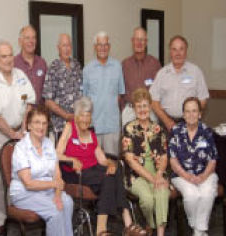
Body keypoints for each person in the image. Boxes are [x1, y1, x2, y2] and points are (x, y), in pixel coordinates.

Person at [56, 97, 146, 236]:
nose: (86, 119)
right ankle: (109, 227)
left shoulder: (91, 134)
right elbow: (56, 154)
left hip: (93, 171)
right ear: (76, 116)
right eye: (82, 115)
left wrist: (110, 164)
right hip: (75, 172)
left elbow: (102, 159)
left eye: (88, 115)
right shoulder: (70, 127)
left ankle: (124, 224)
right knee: (108, 178)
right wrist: (71, 159)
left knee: (115, 170)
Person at [0, 40, 35, 235]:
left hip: (20, 131)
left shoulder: (21, 76)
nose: (8, 60)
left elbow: (29, 103)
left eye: (10, 55)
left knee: (18, 176)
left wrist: (23, 129)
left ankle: (15, 212)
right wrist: (13, 134)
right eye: (3, 56)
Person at [10, 106, 73, 236]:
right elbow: (28, 183)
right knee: (55, 211)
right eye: (37, 122)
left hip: (47, 190)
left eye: (44, 123)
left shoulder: (49, 144)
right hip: (24, 193)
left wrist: (57, 195)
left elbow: (57, 174)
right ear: (29, 126)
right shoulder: (21, 148)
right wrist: (54, 185)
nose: (41, 127)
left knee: (67, 202)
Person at [122, 88, 169, 236]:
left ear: (150, 106)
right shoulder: (129, 129)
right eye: (139, 106)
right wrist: (152, 178)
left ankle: (160, 233)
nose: (143, 109)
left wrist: (160, 174)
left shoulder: (158, 128)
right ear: (135, 109)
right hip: (136, 176)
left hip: (158, 172)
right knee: (148, 199)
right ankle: (150, 224)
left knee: (162, 193)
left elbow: (164, 155)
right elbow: (130, 161)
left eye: (145, 105)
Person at [168, 97, 218, 236]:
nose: (191, 115)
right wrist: (187, 176)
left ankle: (198, 231)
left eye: (194, 111)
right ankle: (198, 227)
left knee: (207, 192)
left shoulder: (207, 131)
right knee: (192, 195)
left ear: (200, 114)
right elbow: (172, 160)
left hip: (205, 173)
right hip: (181, 174)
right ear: (183, 114)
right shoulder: (176, 131)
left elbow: (213, 160)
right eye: (187, 111)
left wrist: (203, 176)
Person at [150, 35, 209, 131]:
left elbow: (203, 99)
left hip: (190, 124)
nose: (178, 53)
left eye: (181, 49)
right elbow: (153, 100)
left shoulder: (196, 72)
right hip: (166, 124)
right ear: (170, 52)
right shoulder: (162, 73)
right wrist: (167, 121)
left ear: (186, 51)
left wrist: (192, 118)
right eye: (174, 49)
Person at [83, 31, 125, 156]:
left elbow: (119, 94)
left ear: (109, 47)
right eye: (100, 45)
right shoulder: (87, 69)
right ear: (95, 47)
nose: (103, 48)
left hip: (112, 126)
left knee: (112, 163)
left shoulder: (117, 66)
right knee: (94, 163)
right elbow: (85, 98)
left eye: (106, 45)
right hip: (94, 124)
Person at [42, 33, 82, 138]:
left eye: (68, 45)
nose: (66, 49)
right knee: (61, 154)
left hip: (78, 124)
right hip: (60, 125)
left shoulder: (77, 65)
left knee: (77, 153)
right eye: (64, 45)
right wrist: (66, 116)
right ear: (58, 48)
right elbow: (48, 101)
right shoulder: (53, 68)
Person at [121, 27, 161, 126]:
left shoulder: (155, 64)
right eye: (137, 39)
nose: (139, 42)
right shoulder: (124, 64)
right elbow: (120, 91)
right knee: (129, 141)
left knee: (151, 140)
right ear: (132, 41)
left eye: (142, 40)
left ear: (146, 42)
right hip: (130, 112)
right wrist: (123, 110)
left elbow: (161, 90)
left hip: (150, 111)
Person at [15, 25, 47, 105]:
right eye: (27, 38)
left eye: (33, 38)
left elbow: (47, 91)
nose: (31, 41)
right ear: (20, 41)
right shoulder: (13, 64)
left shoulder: (42, 63)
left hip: (39, 113)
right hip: (20, 113)